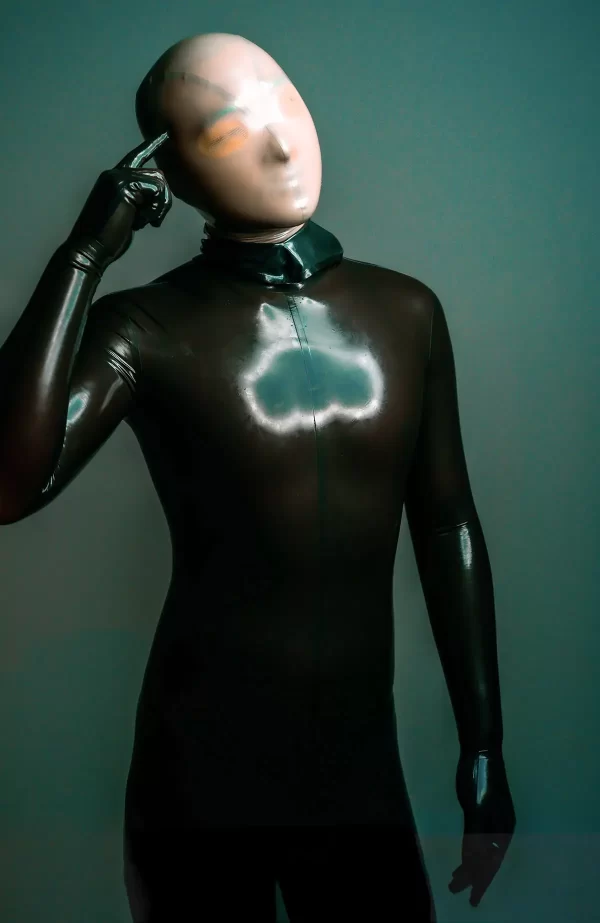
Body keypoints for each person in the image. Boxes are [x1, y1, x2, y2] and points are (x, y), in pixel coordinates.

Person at [0, 32, 516, 922]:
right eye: (228, 131)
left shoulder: (406, 311)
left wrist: (484, 742)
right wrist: (83, 255)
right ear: (174, 172)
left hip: (358, 772)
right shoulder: (143, 330)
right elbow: (9, 484)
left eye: (282, 99)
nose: (279, 142)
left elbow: (447, 526)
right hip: (197, 776)